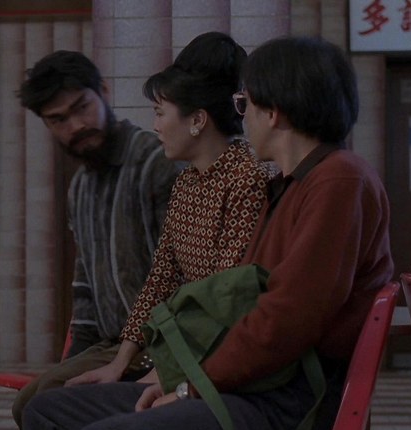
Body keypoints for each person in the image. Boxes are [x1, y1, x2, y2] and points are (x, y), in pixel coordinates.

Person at [22, 35, 393, 430]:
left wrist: (189, 386)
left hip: (287, 405)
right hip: (252, 387)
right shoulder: (292, 185)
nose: (240, 118)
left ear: (274, 112)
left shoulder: (339, 181)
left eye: (245, 104)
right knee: (45, 414)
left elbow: (286, 319)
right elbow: (227, 298)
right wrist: (182, 378)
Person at [66, 32, 276, 388]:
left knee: (59, 406)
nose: (155, 126)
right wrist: (121, 360)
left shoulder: (245, 180)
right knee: (51, 399)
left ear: (197, 120)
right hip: (177, 349)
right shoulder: (187, 181)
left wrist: (163, 375)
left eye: (160, 113)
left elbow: (224, 298)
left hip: (215, 359)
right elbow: (161, 277)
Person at [11, 50, 180, 428]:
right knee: (36, 401)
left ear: (103, 91)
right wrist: (76, 362)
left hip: (161, 345)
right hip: (110, 344)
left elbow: (185, 274)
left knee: (42, 404)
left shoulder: (155, 163)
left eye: (82, 107)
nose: (76, 125)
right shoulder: (81, 189)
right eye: (58, 120)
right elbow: (85, 287)